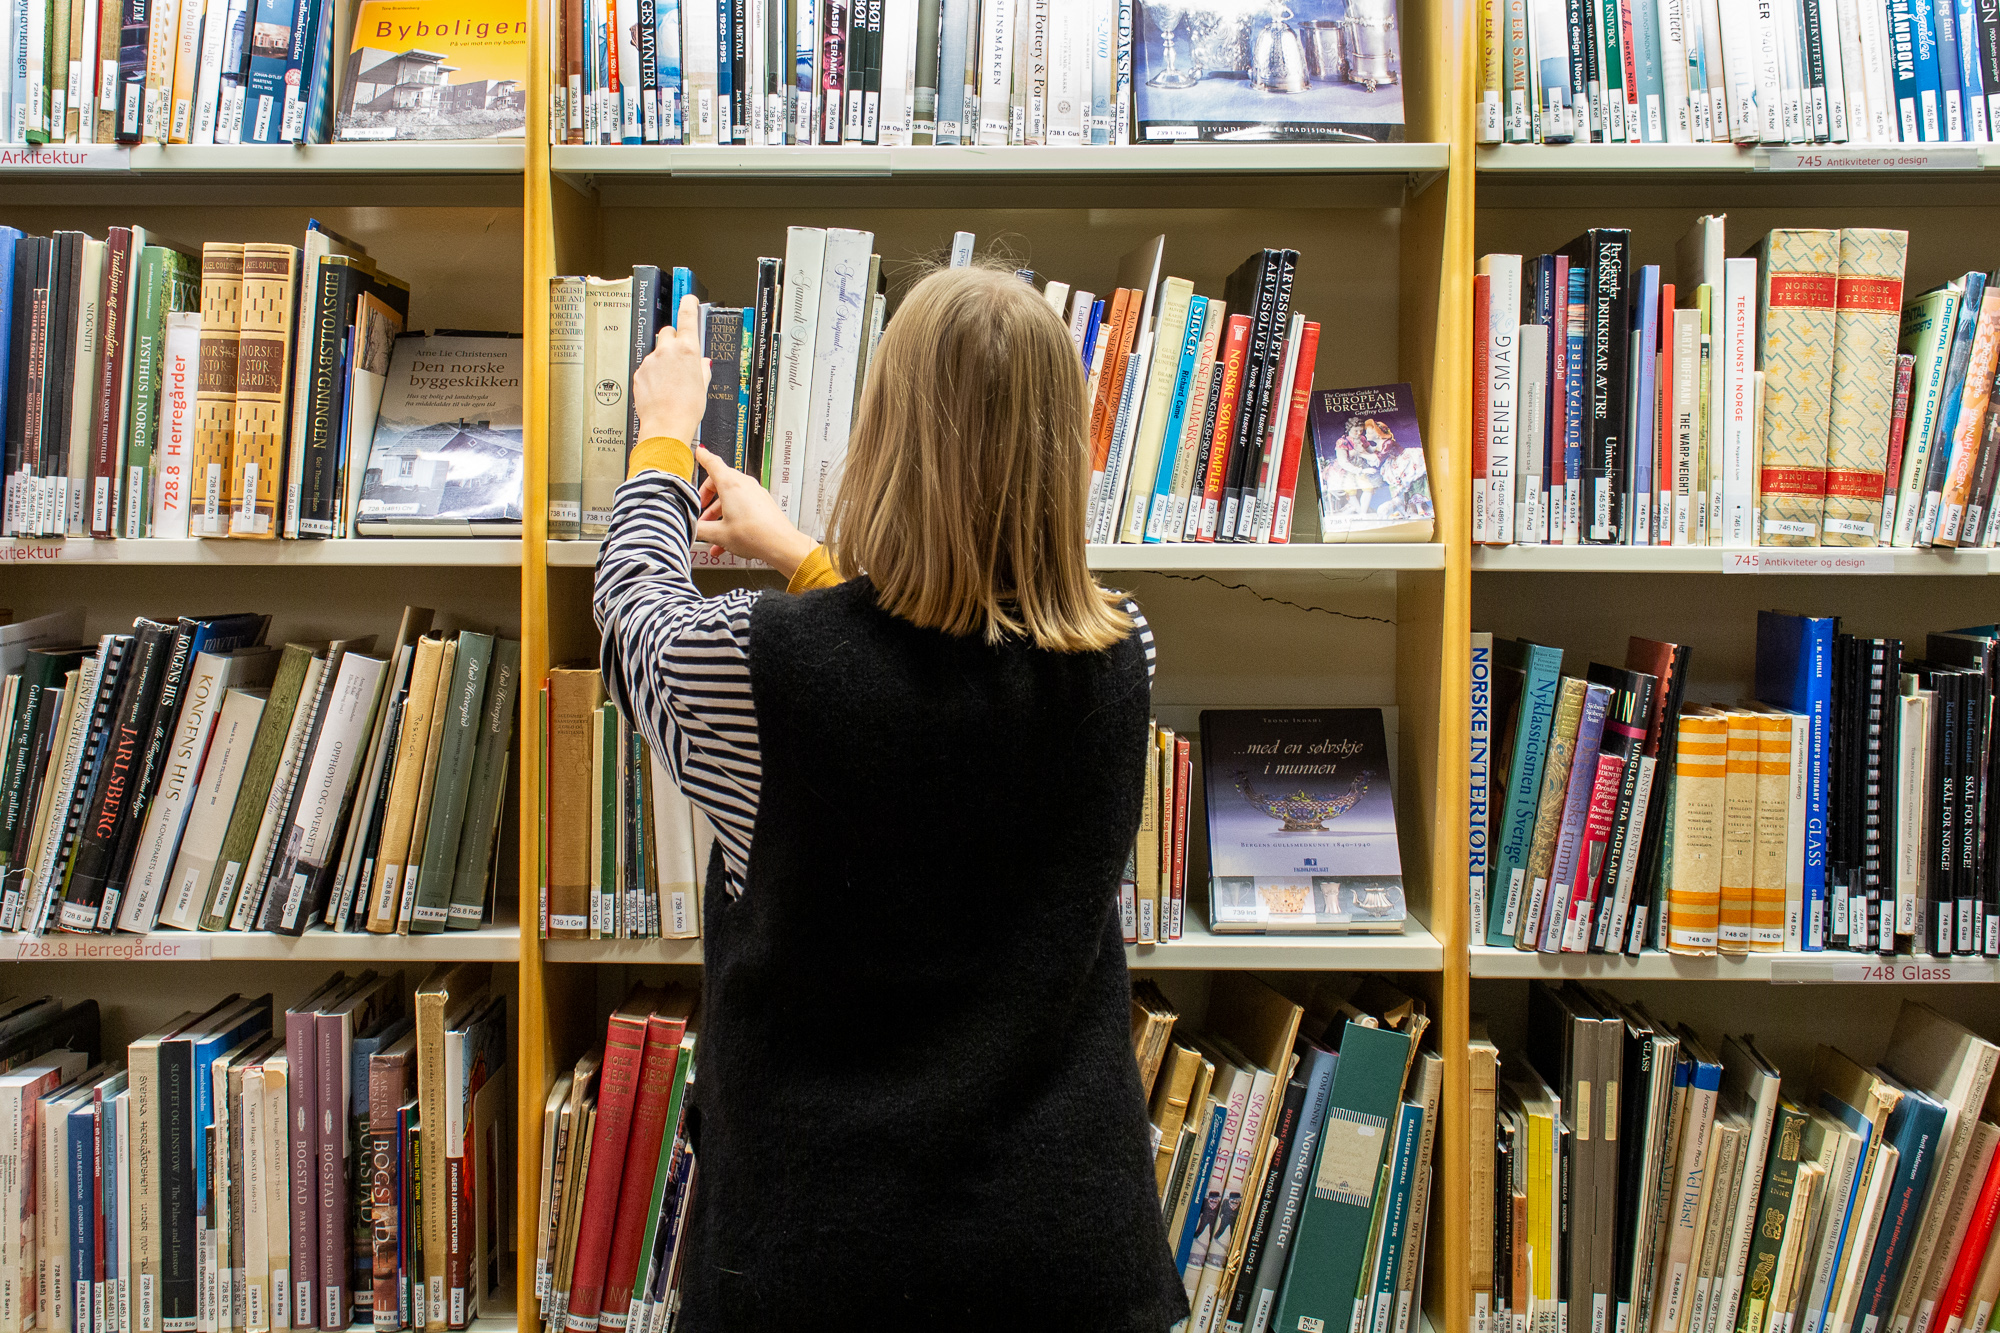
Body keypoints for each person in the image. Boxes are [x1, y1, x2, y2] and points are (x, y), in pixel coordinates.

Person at [594, 265, 1190, 1333]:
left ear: (882, 438)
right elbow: (941, 678)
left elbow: (635, 613)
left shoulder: (761, 671)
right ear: (1066, 453)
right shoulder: (1119, 656)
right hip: (1069, 1264)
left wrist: (662, 437)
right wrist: (800, 558)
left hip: (820, 1266)